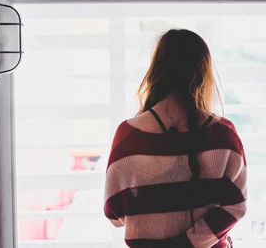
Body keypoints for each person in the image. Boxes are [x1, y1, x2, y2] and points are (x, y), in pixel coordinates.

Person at [104, 29, 247, 248]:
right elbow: (236, 205)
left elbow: (114, 213)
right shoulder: (224, 136)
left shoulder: (129, 136)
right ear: (203, 73)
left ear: (156, 71)